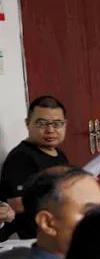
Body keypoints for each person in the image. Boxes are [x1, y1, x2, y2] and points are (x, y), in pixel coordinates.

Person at [0, 96, 70, 239]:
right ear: (28, 123)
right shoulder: (20, 157)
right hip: (34, 237)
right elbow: (17, 204)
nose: (50, 130)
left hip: (58, 232)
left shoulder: (59, 154)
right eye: (42, 123)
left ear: (65, 124)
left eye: (57, 124)